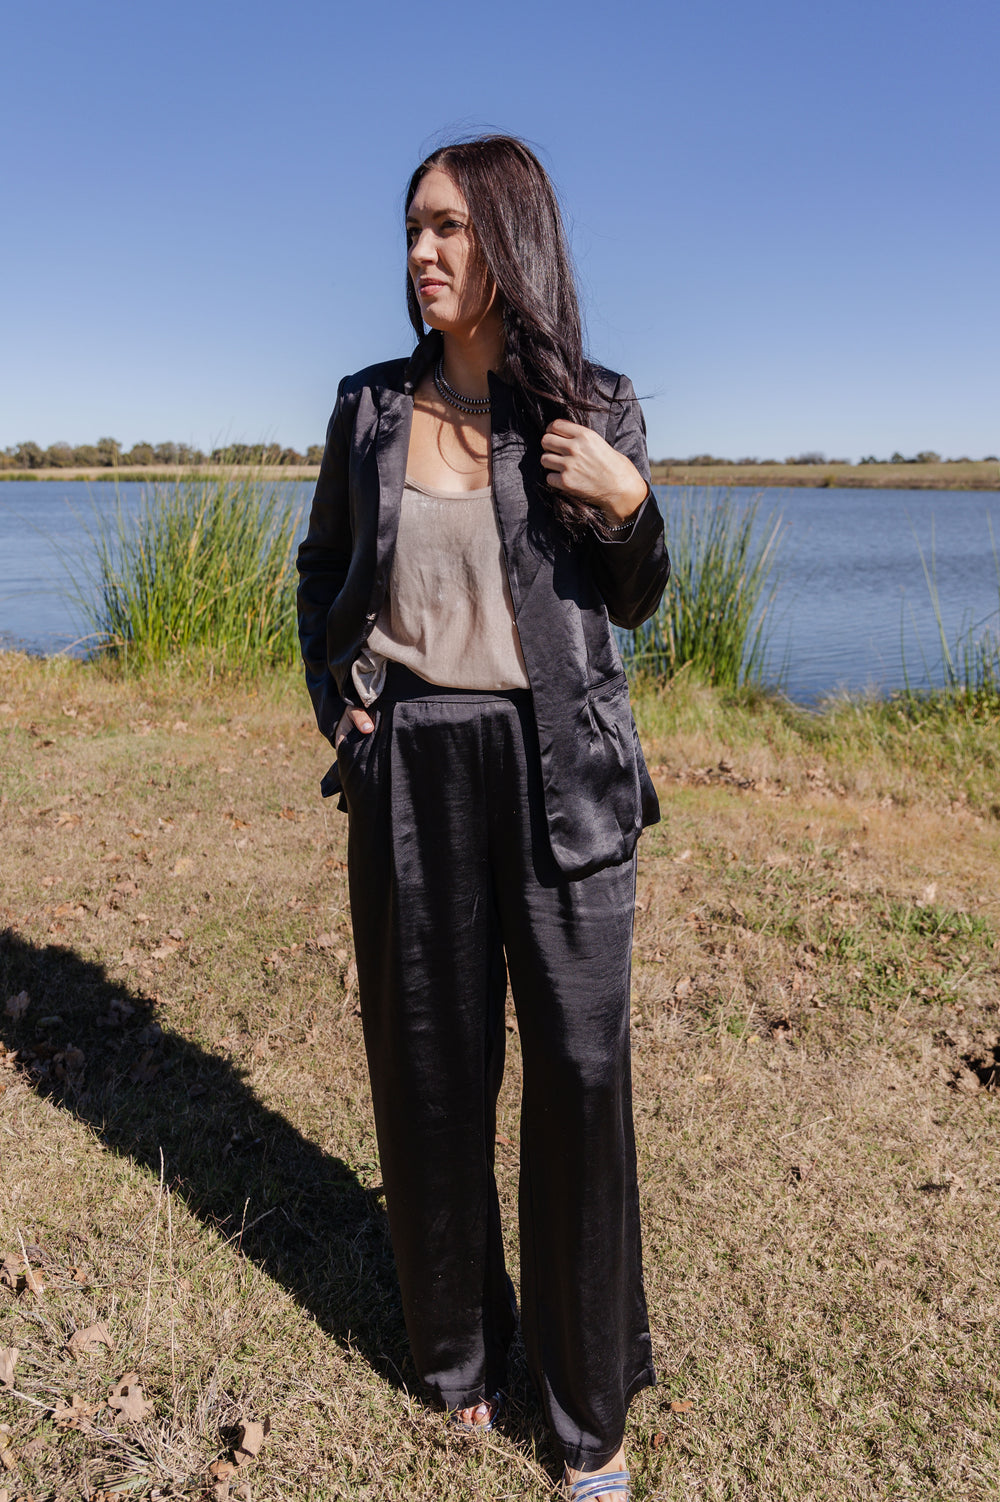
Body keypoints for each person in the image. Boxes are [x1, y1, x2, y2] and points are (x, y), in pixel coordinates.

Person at [296, 135, 670, 1502]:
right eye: (411, 229)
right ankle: (459, 1353)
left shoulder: (594, 408)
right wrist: (336, 696)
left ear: (510, 238)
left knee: (580, 1079)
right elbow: (323, 568)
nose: (422, 253)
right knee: (433, 1072)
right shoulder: (370, 411)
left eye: (449, 227)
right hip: (413, 769)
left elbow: (635, 598)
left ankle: (588, 1415)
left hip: (560, 768)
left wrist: (635, 512)